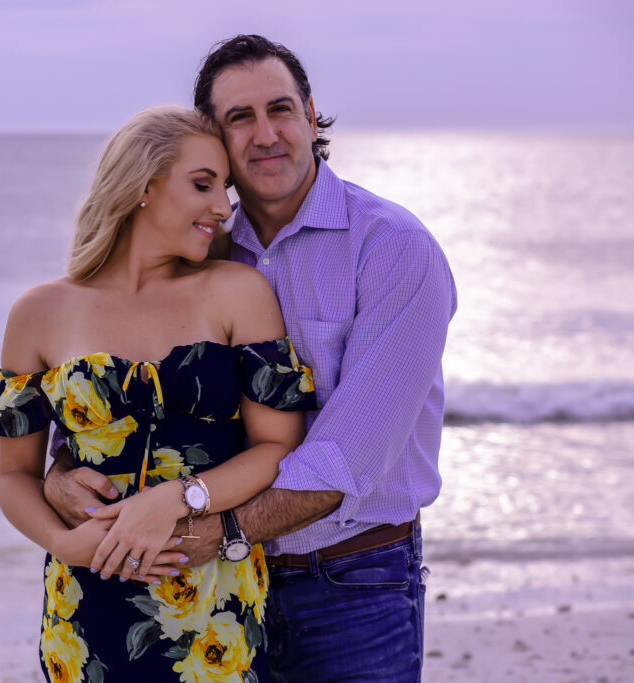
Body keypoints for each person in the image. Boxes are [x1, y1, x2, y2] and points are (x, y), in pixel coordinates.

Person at [43, 35, 458, 682]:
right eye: (240, 117)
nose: (266, 134)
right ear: (214, 137)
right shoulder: (197, 248)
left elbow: (349, 456)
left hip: (350, 580)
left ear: (311, 115)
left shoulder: (394, 249)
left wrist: (219, 527)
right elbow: (126, 401)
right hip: (215, 589)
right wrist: (61, 474)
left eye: (281, 109)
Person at [0, 106, 316, 681]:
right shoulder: (39, 312)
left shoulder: (237, 292)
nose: (224, 208)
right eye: (203, 185)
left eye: (226, 189)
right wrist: (68, 545)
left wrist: (181, 498)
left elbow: (276, 448)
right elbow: (14, 475)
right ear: (142, 185)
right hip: (86, 604)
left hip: (215, 606)